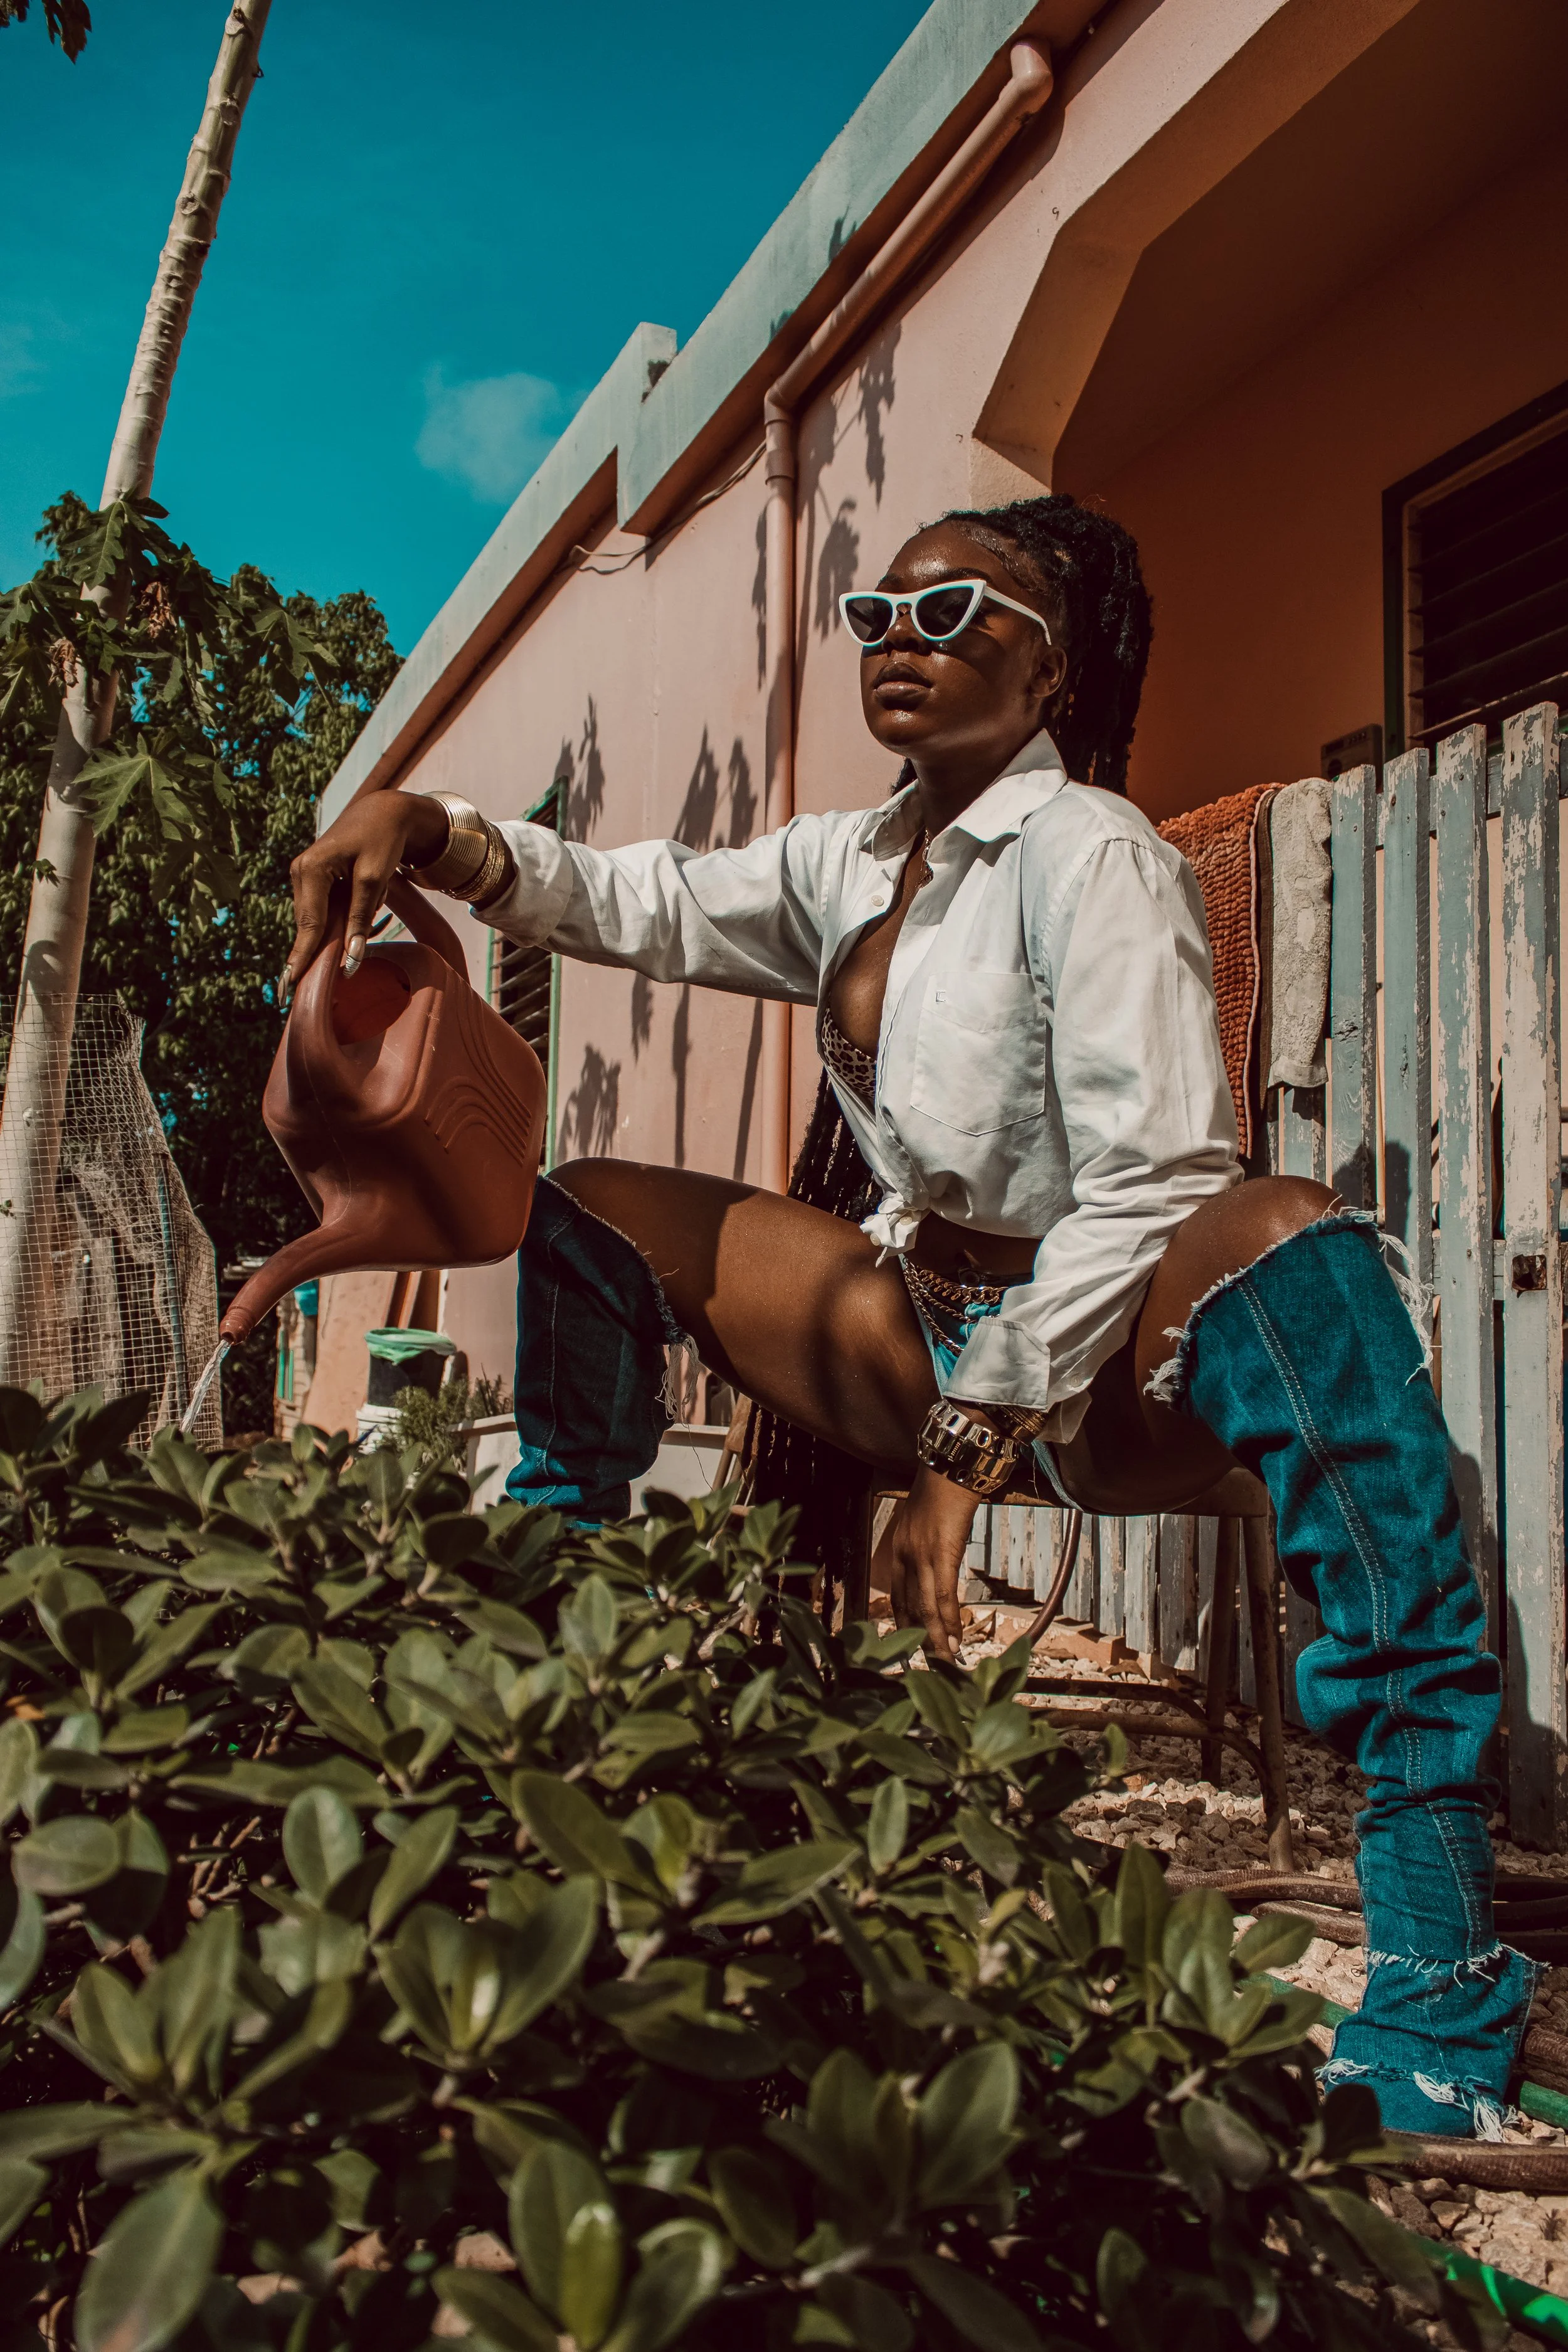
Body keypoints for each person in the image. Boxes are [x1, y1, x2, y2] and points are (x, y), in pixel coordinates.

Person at [287, 492, 1530, 2139]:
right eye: (881, 612)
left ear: (1057, 665)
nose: (899, 642)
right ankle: (550, 1722)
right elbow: (635, 899)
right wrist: (433, 829)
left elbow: (1158, 1169)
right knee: (585, 1206)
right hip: (906, 1313)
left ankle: (1438, 1977)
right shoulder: (853, 861)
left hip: (1096, 1364)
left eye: (955, 616)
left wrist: (970, 1429)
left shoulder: (1094, 854)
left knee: (1293, 1246)